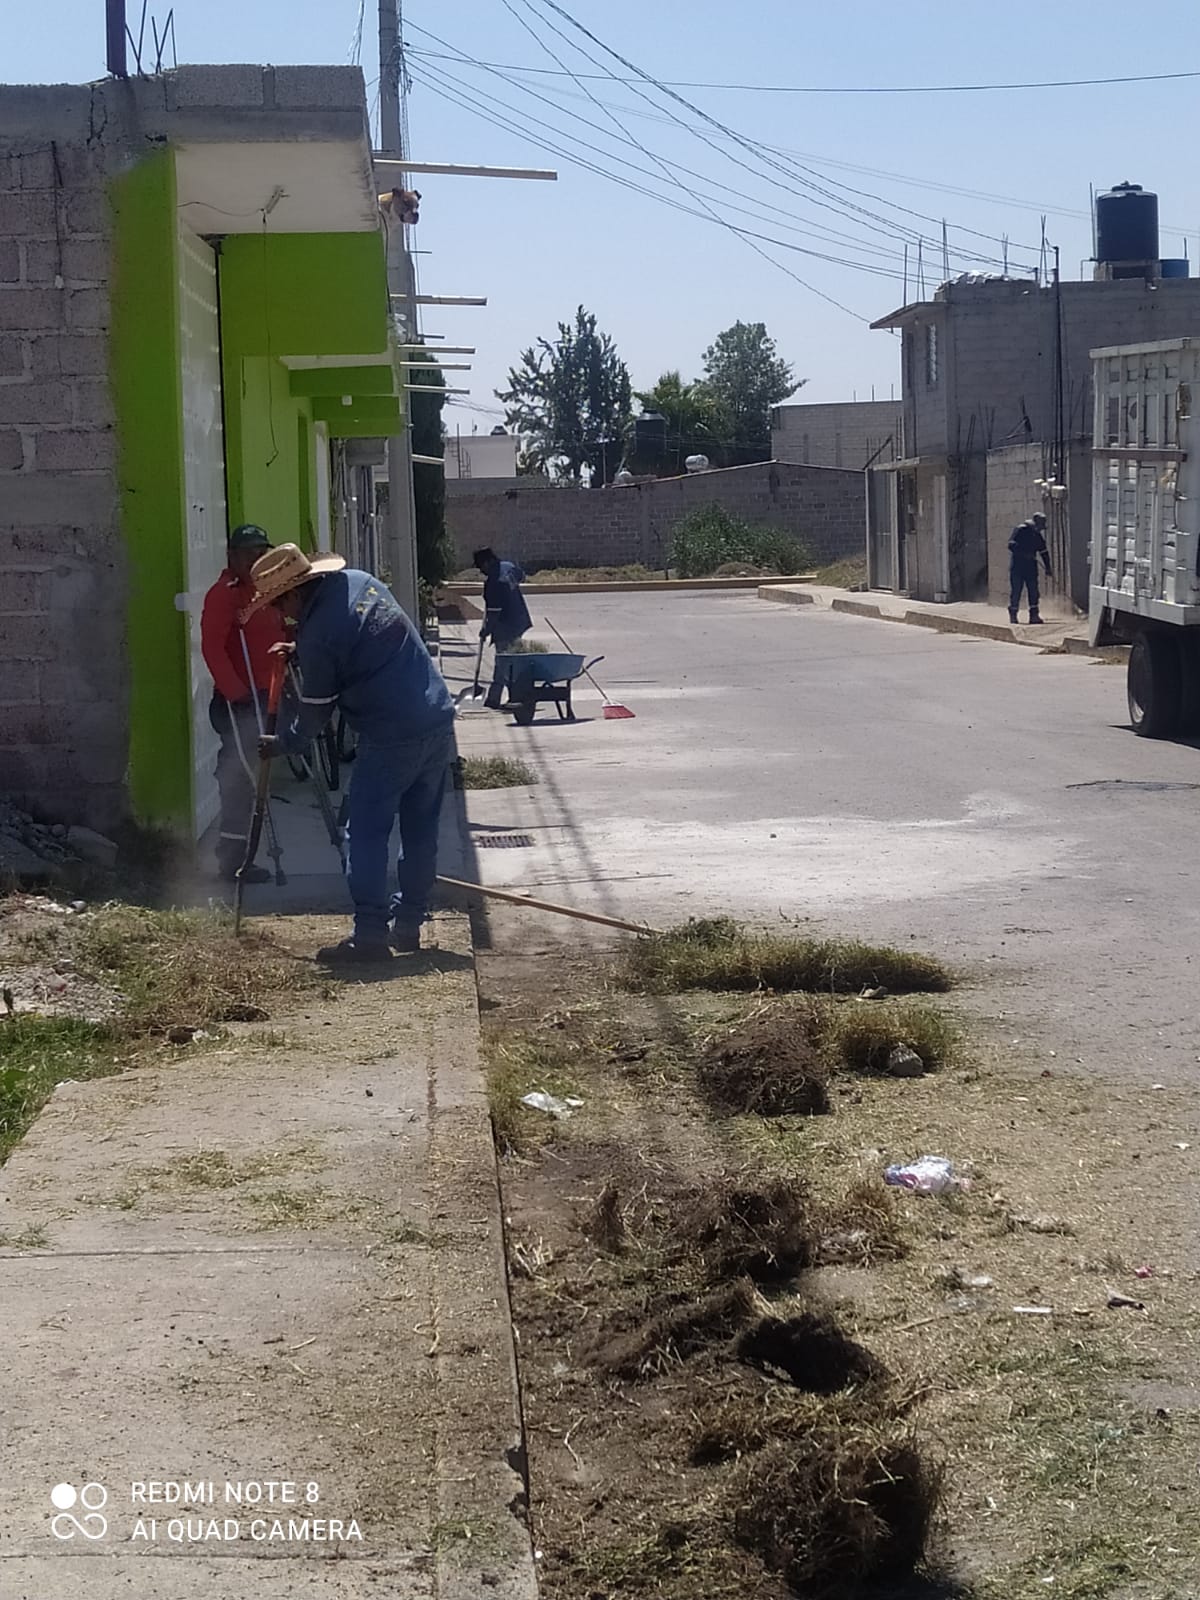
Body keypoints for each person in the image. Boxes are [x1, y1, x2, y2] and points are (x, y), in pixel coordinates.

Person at [244, 544, 455, 965]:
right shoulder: (360, 583)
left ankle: (371, 934)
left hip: (391, 734)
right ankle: (409, 924)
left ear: (292, 594)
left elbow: (316, 713)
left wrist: (285, 743)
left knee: (364, 832)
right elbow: (357, 641)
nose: (278, 615)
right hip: (436, 719)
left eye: (277, 605)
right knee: (419, 831)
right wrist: (300, 650)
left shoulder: (319, 632)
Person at [200, 523, 285, 882]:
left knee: (257, 778)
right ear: (232, 556)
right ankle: (232, 861)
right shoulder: (225, 594)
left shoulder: (265, 591)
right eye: (249, 553)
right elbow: (212, 648)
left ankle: (242, 858)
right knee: (240, 778)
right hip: (239, 702)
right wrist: (236, 693)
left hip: (267, 697)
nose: (256, 559)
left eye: (262, 552)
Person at [473, 546, 532, 709]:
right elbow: (522, 576)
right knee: (511, 660)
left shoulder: (493, 581)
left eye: (481, 567)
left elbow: (493, 613)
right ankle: (512, 695)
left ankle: (496, 699)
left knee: (503, 661)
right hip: (519, 620)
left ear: (488, 562)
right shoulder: (508, 567)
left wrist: (486, 630)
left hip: (506, 624)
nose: (481, 571)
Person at [1009, 511, 1052, 625]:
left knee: (1033, 592)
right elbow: (1011, 545)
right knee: (1016, 591)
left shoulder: (1037, 536)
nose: (1041, 529)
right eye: (1040, 526)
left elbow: (1044, 552)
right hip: (1017, 568)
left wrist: (1048, 567)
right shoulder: (1021, 530)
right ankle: (1013, 614)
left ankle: (1034, 615)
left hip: (1031, 569)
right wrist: (1024, 554)